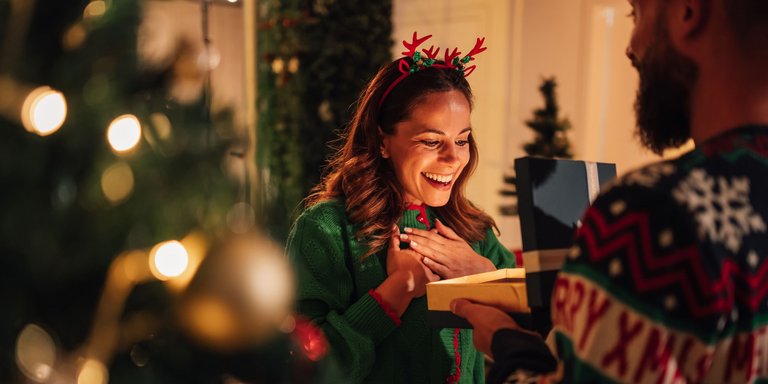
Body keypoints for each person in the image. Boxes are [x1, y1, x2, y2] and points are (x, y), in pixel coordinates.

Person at [452, 0, 768, 382]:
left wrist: (508, 346)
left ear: (687, 12)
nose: (631, 47)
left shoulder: (653, 211)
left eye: (636, 13)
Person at [285, 32, 517, 384]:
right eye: (431, 141)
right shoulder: (326, 230)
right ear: (383, 142)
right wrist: (397, 291)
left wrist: (482, 272)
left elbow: (530, 333)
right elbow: (305, 370)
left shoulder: (473, 229)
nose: (453, 158)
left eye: (462, 140)